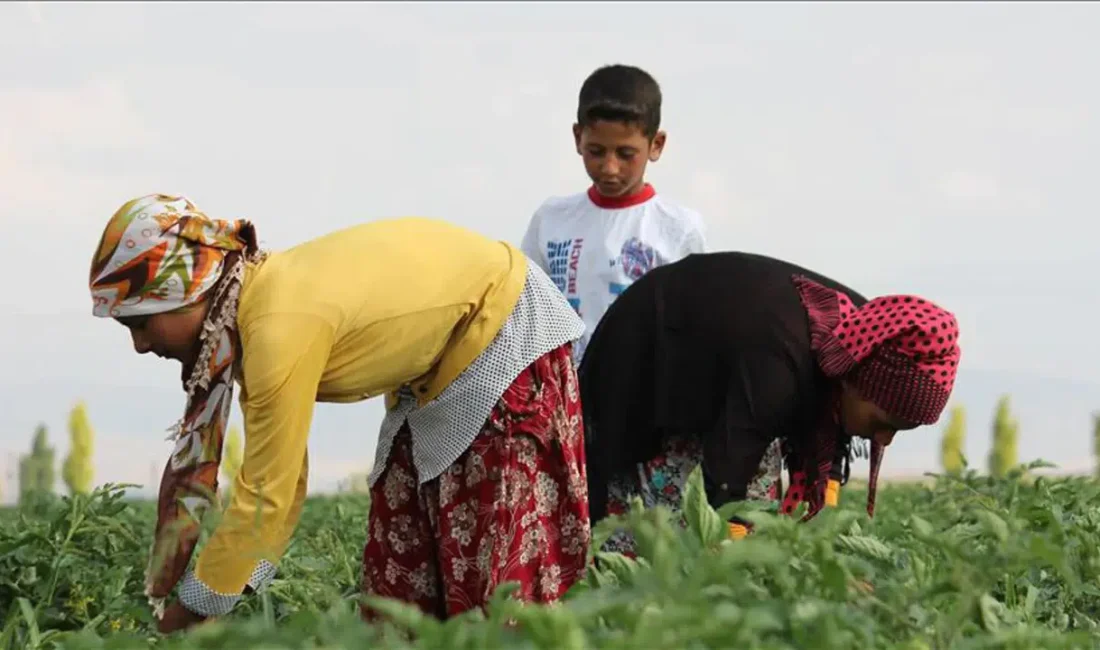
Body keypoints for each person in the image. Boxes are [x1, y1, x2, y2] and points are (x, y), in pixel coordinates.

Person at [87, 194, 591, 633]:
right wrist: (216, 596)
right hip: (435, 367)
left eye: (141, 322)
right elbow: (278, 489)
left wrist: (192, 612)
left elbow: (269, 490)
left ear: (186, 293)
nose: (140, 345)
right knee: (402, 568)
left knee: (492, 578)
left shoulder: (275, 327)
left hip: (502, 334)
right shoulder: (254, 311)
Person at [577, 252, 962, 554]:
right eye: (884, 422)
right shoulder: (782, 365)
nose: (885, 439)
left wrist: (819, 547)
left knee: (758, 519)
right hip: (649, 355)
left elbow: (826, 458)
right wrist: (732, 553)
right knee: (661, 535)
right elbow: (728, 475)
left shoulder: (865, 339)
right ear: (857, 384)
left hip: (724, 375)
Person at [520, 63, 708, 365]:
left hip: (642, 397)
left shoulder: (678, 228)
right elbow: (527, 316)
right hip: (565, 399)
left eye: (625, 154)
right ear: (577, 137)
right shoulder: (551, 219)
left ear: (656, 145)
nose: (609, 167)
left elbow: (692, 327)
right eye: (596, 151)